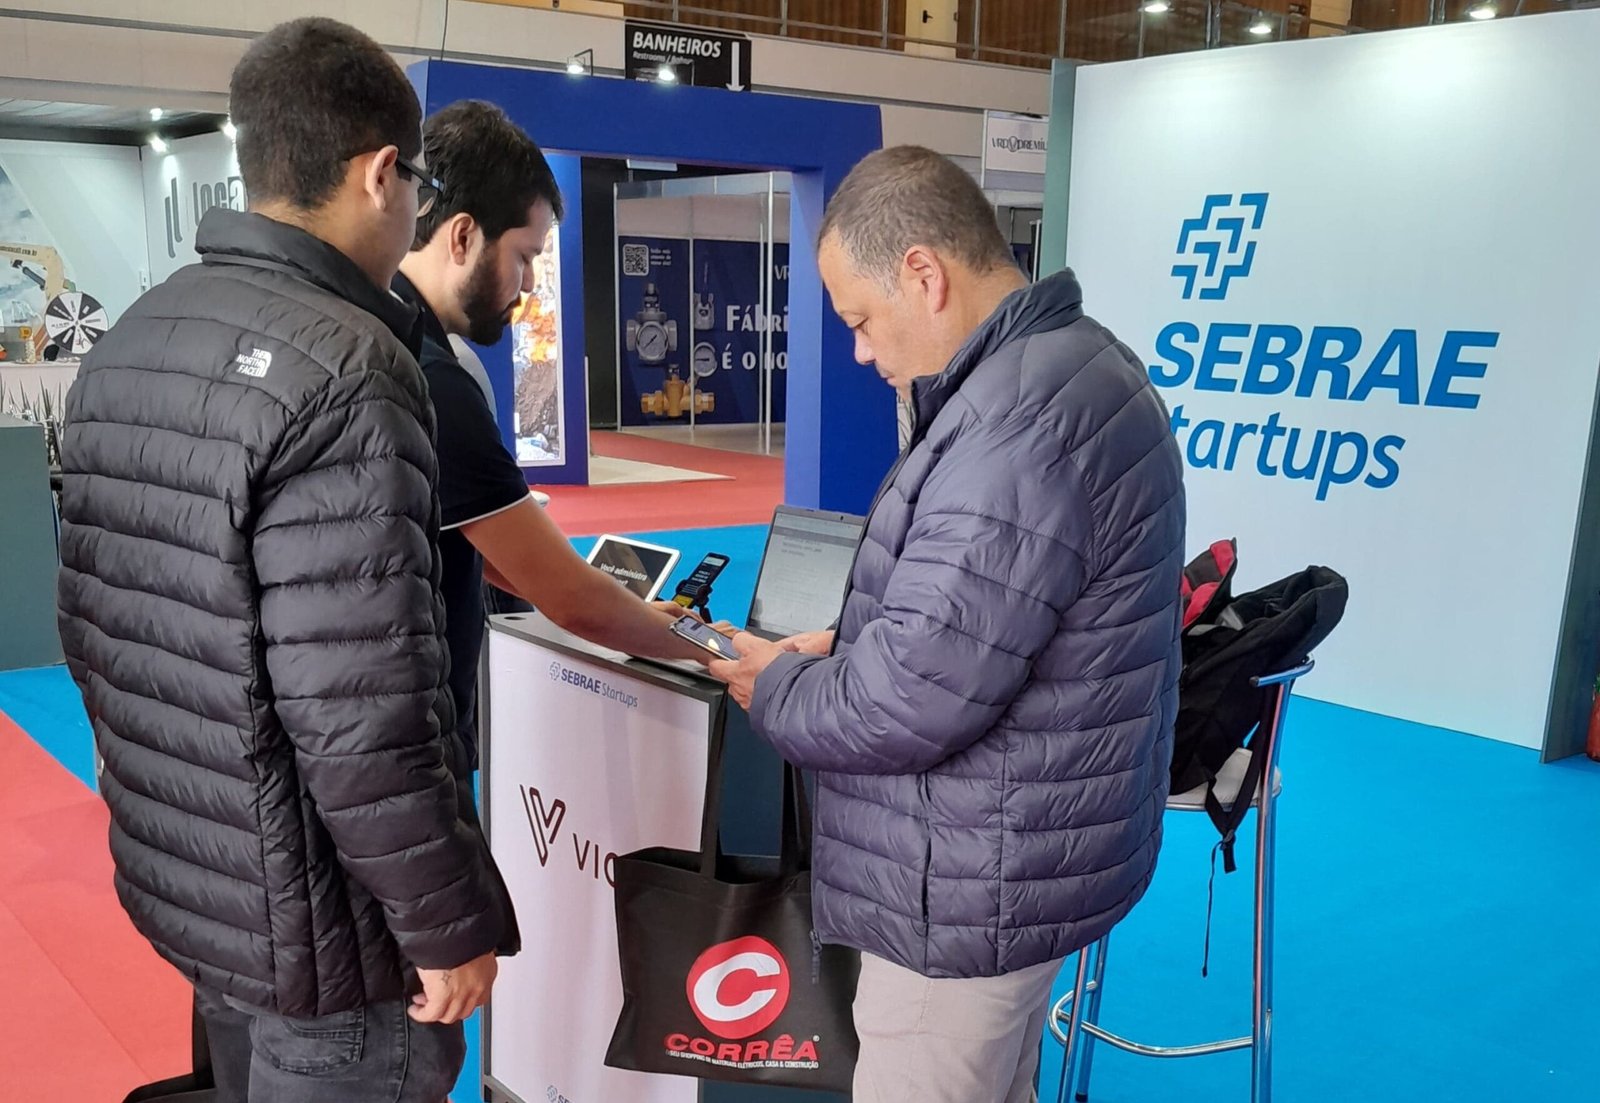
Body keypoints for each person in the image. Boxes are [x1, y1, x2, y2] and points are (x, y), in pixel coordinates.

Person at [55, 19, 511, 1103]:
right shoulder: (354, 368)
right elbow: (365, 709)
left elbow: (97, 633)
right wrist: (447, 921)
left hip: (199, 885)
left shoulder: (137, 335)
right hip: (329, 934)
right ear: (382, 173)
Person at [708, 145, 1186, 1103]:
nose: (858, 349)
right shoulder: (1072, 367)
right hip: (1013, 861)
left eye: (860, 318)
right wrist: (850, 647)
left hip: (965, 888)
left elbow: (908, 703)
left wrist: (781, 687)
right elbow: (987, 627)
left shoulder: (1016, 428)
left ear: (924, 275)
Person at [392, 99, 709, 773]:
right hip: (410, 746)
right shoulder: (431, 378)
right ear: (462, 237)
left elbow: (502, 557)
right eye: (524, 256)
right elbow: (573, 600)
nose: (531, 283)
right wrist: (711, 645)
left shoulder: (382, 333)